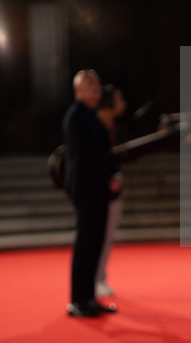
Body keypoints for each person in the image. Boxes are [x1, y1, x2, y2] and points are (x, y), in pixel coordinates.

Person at [62, 69, 123, 317]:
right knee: (86, 244)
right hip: (87, 188)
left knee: (95, 244)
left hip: (97, 188)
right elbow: (84, 156)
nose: (96, 88)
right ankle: (78, 299)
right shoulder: (76, 116)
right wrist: (107, 176)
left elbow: (102, 153)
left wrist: (113, 173)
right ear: (78, 90)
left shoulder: (91, 115)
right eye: (90, 84)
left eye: (98, 83)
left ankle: (88, 297)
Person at [95, 84, 128, 297]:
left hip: (113, 190)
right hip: (96, 191)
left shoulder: (116, 128)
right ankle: (95, 278)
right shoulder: (95, 126)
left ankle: (100, 276)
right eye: (119, 99)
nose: (122, 103)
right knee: (97, 236)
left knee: (107, 236)